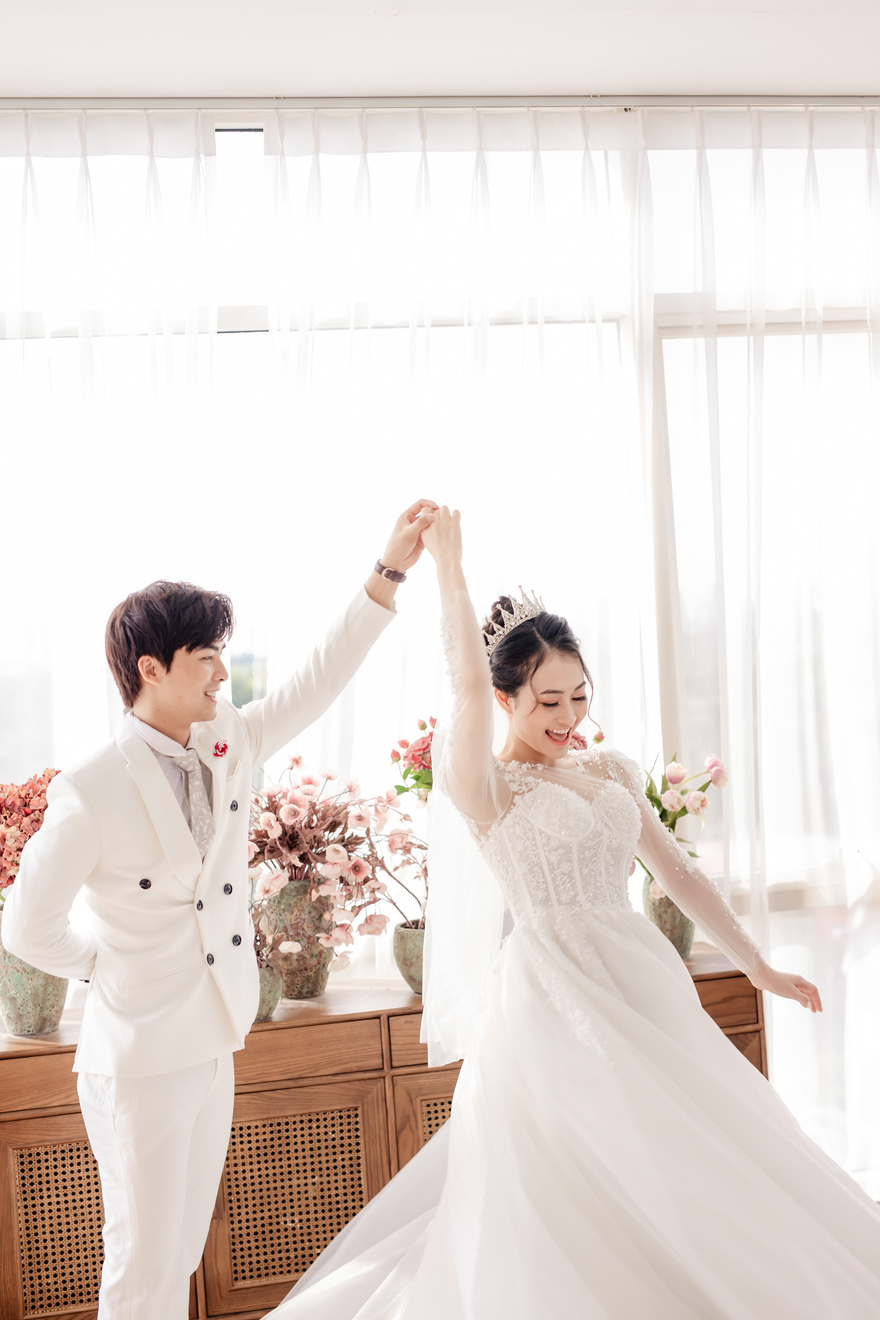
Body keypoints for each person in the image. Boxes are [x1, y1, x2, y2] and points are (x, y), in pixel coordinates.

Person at [266, 505, 880, 1320]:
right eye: (547, 700)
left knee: (698, 1155)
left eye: (579, 697)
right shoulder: (483, 788)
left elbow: (683, 875)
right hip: (553, 1000)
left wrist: (758, 963)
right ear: (505, 698)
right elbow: (462, 683)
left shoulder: (614, 769)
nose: (567, 719)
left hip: (641, 977)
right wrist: (450, 569)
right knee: (575, 1178)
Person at [1, 498, 438, 1320]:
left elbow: (317, 681)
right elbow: (26, 923)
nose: (220, 673)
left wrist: (386, 575)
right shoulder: (90, 787)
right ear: (150, 669)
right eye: (205, 656)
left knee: (183, 1247)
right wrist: (109, 968)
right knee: (144, 1261)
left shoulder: (227, 738)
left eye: (221, 655)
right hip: (137, 1057)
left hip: (212, 1032)